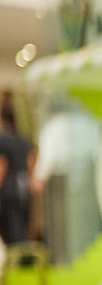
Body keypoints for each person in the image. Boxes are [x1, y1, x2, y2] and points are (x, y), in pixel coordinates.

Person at [0, 94, 41, 247]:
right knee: (22, 224)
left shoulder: (3, 141)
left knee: (11, 227)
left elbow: (2, 166)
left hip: (9, 188)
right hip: (23, 186)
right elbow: (31, 162)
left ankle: (19, 254)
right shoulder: (24, 141)